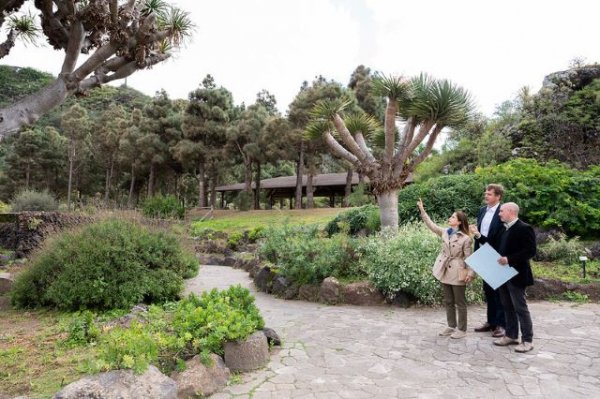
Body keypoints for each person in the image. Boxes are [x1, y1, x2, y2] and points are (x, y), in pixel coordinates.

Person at [417, 199, 474, 339]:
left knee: (460, 302)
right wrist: (422, 210)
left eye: (453, 217)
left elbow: (469, 258)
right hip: (444, 269)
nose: (450, 218)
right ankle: (451, 326)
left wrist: (470, 273)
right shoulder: (445, 232)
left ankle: (462, 329)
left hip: (458, 270)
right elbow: (431, 225)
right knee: (448, 300)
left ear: (459, 222)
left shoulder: (466, 238)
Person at [493, 202, 537, 353]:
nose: (499, 214)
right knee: (507, 306)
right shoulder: (504, 229)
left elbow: (530, 251)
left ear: (511, 211)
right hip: (503, 274)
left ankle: (528, 340)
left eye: (501, 211)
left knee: (520, 308)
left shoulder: (524, 228)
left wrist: (509, 259)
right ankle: (511, 335)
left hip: (517, 275)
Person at [469, 183, 506, 338]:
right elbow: (480, 233)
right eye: (486, 193)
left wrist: (479, 236)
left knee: (499, 292)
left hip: (496, 255)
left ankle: (501, 325)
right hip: (483, 253)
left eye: (489, 194)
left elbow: (500, 236)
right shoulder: (482, 210)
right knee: (488, 291)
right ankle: (491, 322)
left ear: (498, 196)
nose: (486, 195)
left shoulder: (503, 211)